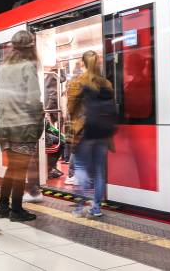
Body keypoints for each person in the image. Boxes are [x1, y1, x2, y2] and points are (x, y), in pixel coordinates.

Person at [0, 30, 44, 222]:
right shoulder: (27, 67)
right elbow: (33, 100)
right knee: (20, 170)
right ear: (31, 47)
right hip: (23, 127)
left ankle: (3, 207)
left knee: (11, 168)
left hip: (5, 127)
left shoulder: (5, 68)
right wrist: (40, 114)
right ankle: (16, 210)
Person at [68, 50, 115, 217]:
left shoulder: (77, 82)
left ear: (83, 63)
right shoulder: (107, 84)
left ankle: (80, 207)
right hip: (103, 132)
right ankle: (96, 208)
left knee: (81, 167)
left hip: (84, 131)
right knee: (100, 171)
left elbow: (71, 108)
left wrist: (76, 121)